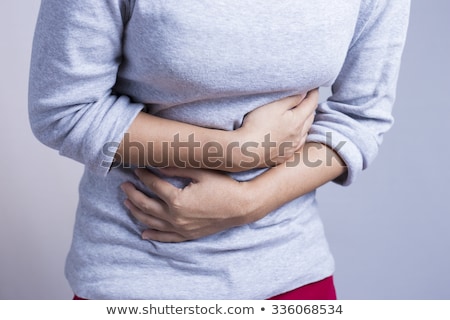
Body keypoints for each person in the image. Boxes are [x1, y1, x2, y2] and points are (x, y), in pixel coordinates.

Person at [28, 0, 410, 299]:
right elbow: (65, 110)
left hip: (291, 275)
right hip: (136, 275)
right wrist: (236, 151)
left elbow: (361, 116)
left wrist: (250, 201)